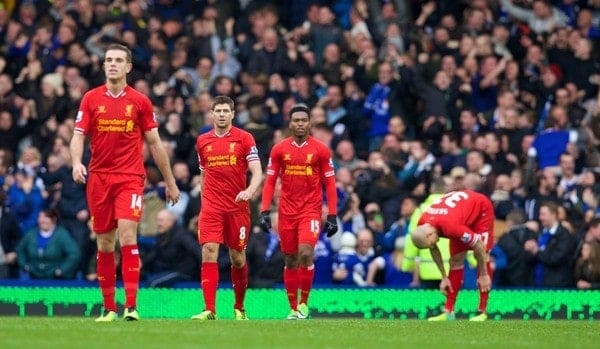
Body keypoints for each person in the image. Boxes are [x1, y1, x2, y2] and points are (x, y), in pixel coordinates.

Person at [70, 44, 180, 322]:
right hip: (98, 178)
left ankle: (131, 306)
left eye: (118, 60)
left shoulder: (141, 102)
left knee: (128, 236)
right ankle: (109, 308)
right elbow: (78, 136)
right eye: (108, 60)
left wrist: (170, 182)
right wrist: (75, 162)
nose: (112, 64)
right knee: (105, 243)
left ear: (128, 67)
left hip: (130, 178)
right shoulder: (91, 99)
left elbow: (154, 144)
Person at [260, 103, 338, 320]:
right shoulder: (279, 149)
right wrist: (265, 209)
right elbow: (269, 181)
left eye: (304, 120)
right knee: (290, 260)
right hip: (286, 212)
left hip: (310, 212)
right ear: (290, 123)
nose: (300, 124)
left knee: (305, 253)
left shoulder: (321, 150)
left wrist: (331, 214)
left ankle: (304, 304)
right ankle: (293, 308)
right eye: (297, 120)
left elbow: (330, 184)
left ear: (310, 123)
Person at [192, 95, 262, 321]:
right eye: (218, 111)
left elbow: (257, 171)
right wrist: (204, 201)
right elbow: (204, 173)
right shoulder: (203, 141)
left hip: (237, 207)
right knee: (208, 250)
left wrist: (249, 191)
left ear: (232, 114)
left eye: (225, 111)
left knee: (237, 258)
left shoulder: (245, 138)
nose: (221, 114)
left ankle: (239, 307)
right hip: (211, 207)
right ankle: (209, 309)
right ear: (212, 114)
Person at [411, 190, 494, 321]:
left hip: (481, 211)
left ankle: (483, 311)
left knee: (483, 255)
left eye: (432, 242)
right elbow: (433, 248)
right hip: (460, 216)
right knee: (455, 261)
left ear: (429, 235)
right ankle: (449, 312)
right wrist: (444, 277)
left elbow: (478, 245)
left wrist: (483, 274)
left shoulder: (451, 227)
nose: (435, 244)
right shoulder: (423, 224)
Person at [142, 209, 201, 288]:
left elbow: (197, 251)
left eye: (161, 221)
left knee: (152, 283)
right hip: (168, 269)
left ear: (170, 222)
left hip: (182, 272)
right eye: (157, 220)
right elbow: (153, 253)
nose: (158, 224)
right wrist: (140, 265)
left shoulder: (182, 235)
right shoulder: (162, 235)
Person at [16, 209, 81, 279]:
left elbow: (74, 254)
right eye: (40, 217)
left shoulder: (62, 235)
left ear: (54, 219)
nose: (42, 220)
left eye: (46, 217)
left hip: (56, 280)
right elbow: (20, 250)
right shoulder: (31, 234)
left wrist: (61, 270)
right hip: (34, 277)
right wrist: (25, 266)